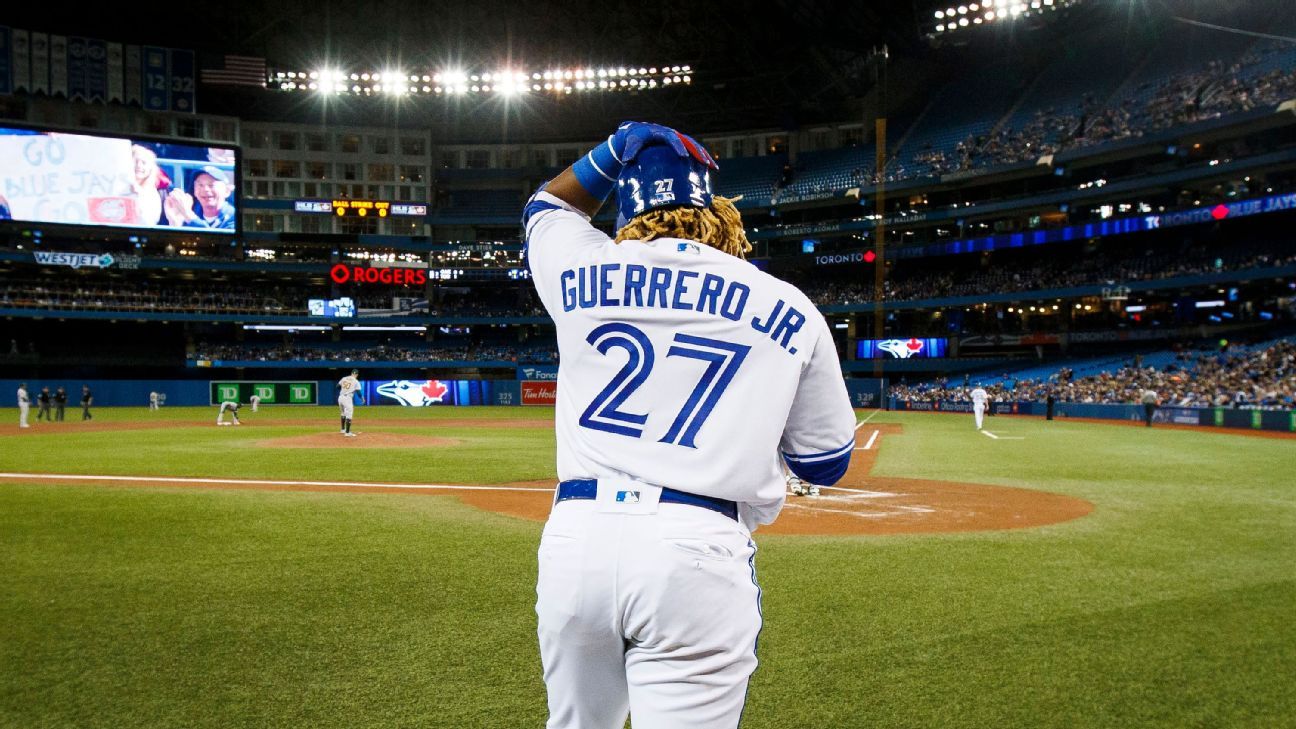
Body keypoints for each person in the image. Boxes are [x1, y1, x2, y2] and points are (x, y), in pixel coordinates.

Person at [523, 122, 855, 728]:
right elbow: (825, 462)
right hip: (695, 547)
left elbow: (547, 205)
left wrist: (614, 149)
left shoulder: (579, 266)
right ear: (715, 209)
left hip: (577, 541)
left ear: (629, 209)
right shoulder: (789, 304)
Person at [163, 166, 236, 230]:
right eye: (200, 185)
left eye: (211, 185)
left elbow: (212, 241)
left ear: (227, 191)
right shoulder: (193, 210)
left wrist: (188, 215)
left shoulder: (233, 217)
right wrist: (174, 222)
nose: (205, 189)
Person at [129, 144, 169, 226]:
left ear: (150, 169)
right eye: (135, 161)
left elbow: (148, 223)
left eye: (144, 163)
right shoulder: (118, 187)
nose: (139, 166)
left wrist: (139, 196)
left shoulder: (153, 194)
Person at [337, 369, 360, 437]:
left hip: (340, 397)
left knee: (343, 413)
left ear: (351, 373)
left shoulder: (344, 378)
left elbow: (337, 386)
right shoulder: (356, 381)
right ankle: (347, 432)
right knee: (349, 414)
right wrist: (362, 398)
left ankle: (343, 429)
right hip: (347, 398)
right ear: (356, 375)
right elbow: (358, 392)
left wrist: (343, 390)